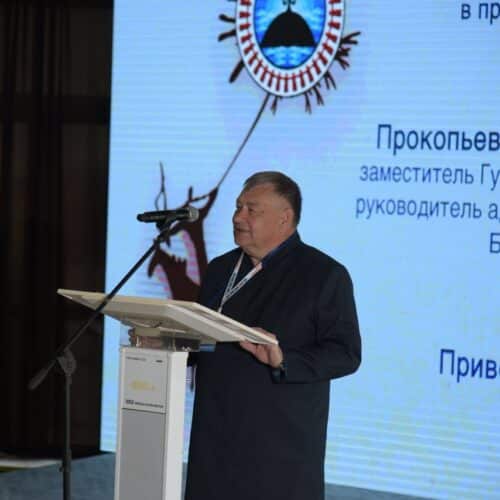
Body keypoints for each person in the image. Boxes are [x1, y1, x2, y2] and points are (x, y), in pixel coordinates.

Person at [184, 171, 361, 500]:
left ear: (285, 218)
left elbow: (345, 354)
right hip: (213, 439)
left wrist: (284, 360)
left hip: (278, 450)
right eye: (238, 207)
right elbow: (202, 338)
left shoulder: (324, 275)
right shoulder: (220, 269)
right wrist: (169, 343)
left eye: (252, 210)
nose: (238, 217)